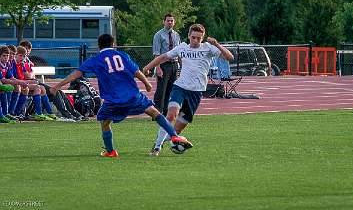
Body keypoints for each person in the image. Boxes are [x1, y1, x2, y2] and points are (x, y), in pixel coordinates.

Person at [50, 34, 193, 157]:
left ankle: (111, 151)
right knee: (155, 113)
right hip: (132, 95)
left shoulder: (96, 59)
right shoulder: (122, 55)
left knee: (105, 122)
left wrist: (57, 86)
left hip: (113, 100)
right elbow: (136, 71)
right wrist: (147, 83)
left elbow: (77, 74)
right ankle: (174, 136)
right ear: (113, 44)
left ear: (99, 46)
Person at [143, 24, 234, 156]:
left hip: (196, 92)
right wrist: (147, 67)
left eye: (199, 38)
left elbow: (229, 57)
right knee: (171, 115)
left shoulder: (208, 48)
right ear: (188, 36)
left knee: (176, 130)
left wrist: (217, 44)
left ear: (202, 38)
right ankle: (157, 147)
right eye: (193, 37)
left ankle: (168, 140)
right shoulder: (182, 47)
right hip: (180, 87)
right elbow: (164, 57)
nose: (196, 40)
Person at [152, 13, 181, 116]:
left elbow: (179, 51)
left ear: (174, 22)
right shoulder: (158, 35)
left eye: (171, 21)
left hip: (174, 64)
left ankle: (165, 112)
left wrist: (180, 67)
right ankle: (156, 113)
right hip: (163, 65)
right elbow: (156, 53)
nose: (170, 22)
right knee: (161, 90)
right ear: (163, 22)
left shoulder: (176, 35)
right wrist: (158, 68)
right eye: (168, 20)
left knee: (171, 90)